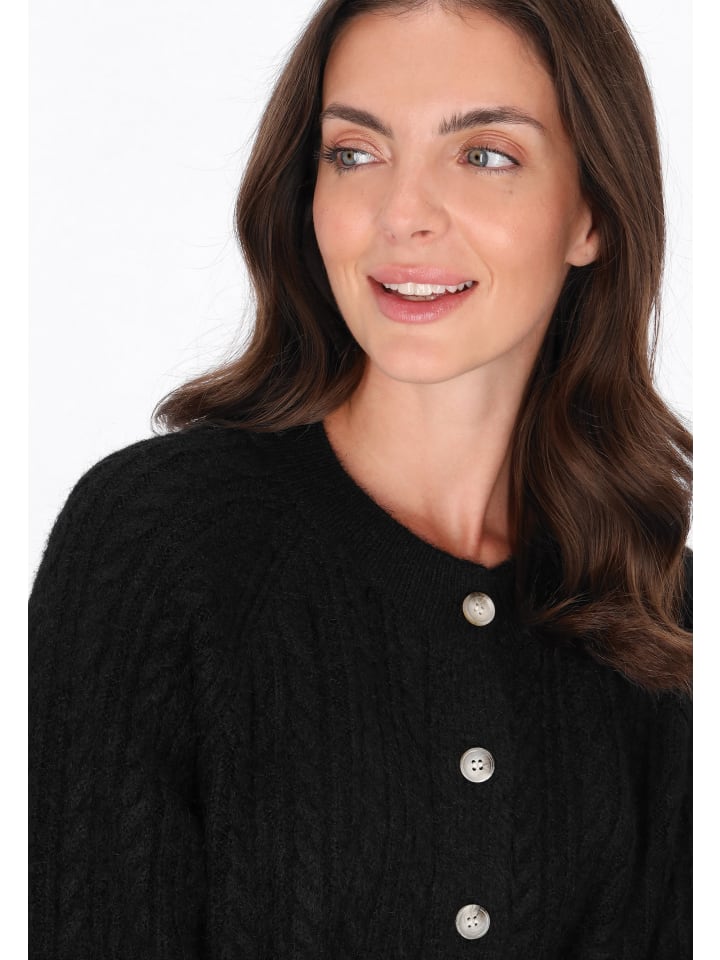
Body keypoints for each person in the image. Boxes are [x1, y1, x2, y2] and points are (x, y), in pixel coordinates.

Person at [29, 0, 692, 957]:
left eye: (484, 154)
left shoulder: (661, 619)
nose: (402, 214)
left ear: (591, 213)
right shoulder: (160, 545)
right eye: (355, 153)